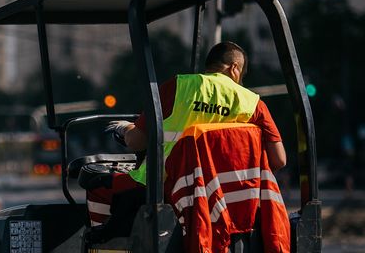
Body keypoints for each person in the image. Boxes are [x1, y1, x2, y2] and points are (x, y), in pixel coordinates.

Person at [99, 41, 287, 226]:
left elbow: (136, 142)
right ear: (234, 68)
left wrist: (125, 128)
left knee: (98, 186)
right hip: (230, 202)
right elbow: (279, 160)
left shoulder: (178, 86)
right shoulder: (254, 104)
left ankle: (98, 241)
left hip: (164, 192)